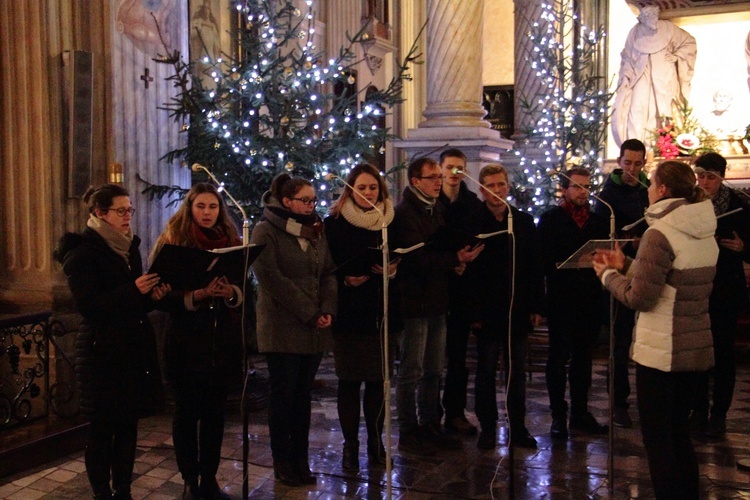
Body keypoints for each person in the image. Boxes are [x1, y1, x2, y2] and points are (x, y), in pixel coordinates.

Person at [593, 160, 718, 499]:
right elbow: (674, 278)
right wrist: (629, 265)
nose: (648, 190)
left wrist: (608, 276)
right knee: (679, 435)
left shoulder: (659, 232)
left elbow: (641, 297)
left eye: (651, 185)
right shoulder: (702, 225)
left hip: (662, 351)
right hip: (694, 347)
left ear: (662, 190)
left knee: (659, 441)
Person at [54, 184, 167, 500]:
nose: (128, 216)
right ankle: (102, 492)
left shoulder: (127, 247)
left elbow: (133, 302)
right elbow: (90, 308)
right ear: (99, 213)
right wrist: (135, 290)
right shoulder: (81, 255)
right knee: (103, 429)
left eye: (130, 210)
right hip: (100, 352)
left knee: (128, 427)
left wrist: (151, 297)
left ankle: (124, 489)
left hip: (131, 350)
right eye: (121, 210)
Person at [150, 183, 244, 500]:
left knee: (215, 415)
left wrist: (231, 293)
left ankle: (210, 479)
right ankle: (190, 481)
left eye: (213, 207)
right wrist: (197, 295)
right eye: (201, 206)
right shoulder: (174, 242)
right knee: (187, 414)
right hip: (184, 342)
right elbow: (159, 296)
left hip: (221, 343)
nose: (207, 213)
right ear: (190, 208)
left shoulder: (231, 242)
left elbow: (245, 289)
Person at [390, 157, 483, 456]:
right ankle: (408, 429)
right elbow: (415, 259)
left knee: (433, 369)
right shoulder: (405, 213)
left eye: (438, 178)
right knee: (411, 370)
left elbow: (438, 249)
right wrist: (455, 260)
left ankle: (430, 422)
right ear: (415, 181)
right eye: (431, 178)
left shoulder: (437, 209)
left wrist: (455, 261)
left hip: (437, 299)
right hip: (415, 301)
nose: (437, 182)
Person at [250, 173, 337, 486]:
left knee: (302, 398)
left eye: (314, 200)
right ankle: (282, 461)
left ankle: (301, 460)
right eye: (305, 200)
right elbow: (273, 281)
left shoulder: (315, 230)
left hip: (313, 327)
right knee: (284, 396)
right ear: (286, 202)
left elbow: (328, 272)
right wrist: (310, 312)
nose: (311, 205)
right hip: (282, 328)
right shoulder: (265, 231)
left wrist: (326, 309)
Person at [324, 164, 398, 470]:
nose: (368, 193)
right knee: (350, 382)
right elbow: (326, 266)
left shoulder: (391, 221)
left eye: (373, 188)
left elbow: (406, 254)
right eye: (362, 188)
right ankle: (350, 446)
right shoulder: (334, 223)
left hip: (382, 311)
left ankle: (376, 443)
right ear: (350, 190)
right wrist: (344, 279)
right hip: (350, 312)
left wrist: (394, 269)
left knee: (378, 382)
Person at [465, 164, 543, 450]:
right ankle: (488, 427)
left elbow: (534, 266)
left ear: (507, 186)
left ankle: (518, 427)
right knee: (485, 370)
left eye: (500, 185)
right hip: (487, 310)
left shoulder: (522, 222)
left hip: (517, 308)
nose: (496, 191)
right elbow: (470, 273)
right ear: (481, 190)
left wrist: (536, 304)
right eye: (489, 186)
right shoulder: (474, 221)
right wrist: (474, 313)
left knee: (516, 372)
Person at [537, 167, 609, 439]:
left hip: (589, 298)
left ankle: (580, 412)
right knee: (557, 358)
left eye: (586, 187)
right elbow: (542, 260)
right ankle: (558, 415)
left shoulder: (600, 221)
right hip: (561, 298)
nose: (582, 192)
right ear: (565, 190)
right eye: (577, 187)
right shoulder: (551, 220)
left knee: (584, 359)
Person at [690, 153, 750, 439]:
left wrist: (742, 248)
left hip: (726, 287)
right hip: (697, 288)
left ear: (722, 177)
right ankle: (698, 411)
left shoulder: (740, 204)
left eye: (710, 177)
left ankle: (719, 414)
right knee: (698, 353)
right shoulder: (690, 203)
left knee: (723, 355)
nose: (704, 182)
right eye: (700, 176)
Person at [593, 138, 649, 428]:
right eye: (627, 163)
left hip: (647, 269)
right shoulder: (607, 193)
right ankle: (618, 402)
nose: (632, 169)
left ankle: (649, 400)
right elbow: (602, 232)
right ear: (619, 162)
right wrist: (627, 242)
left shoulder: (648, 190)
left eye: (638, 164)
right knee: (619, 340)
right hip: (620, 270)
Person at [437, 148, 484, 436]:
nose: (454, 173)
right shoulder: (432, 202)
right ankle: (428, 414)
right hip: (437, 284)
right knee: (429, 359)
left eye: (459, 168)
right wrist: (451, 262)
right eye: (450, 167)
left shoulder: (472, 204)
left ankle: (454, 412)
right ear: (441, 170)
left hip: (464, 286)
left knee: (457, 357)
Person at [611, 5, 697, 146]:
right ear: (643, 19)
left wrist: (677, 56)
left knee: (662, 109)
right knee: (636, 107)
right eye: (649, 18)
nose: (653, 21)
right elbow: (627, 55)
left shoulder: (668, 28)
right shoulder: (635, 32)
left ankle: (660, 145)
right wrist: (626, 74)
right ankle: (636, 144)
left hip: (664, 74)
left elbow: (689, 42)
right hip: (640, 74)